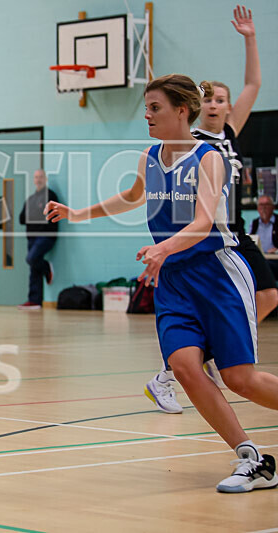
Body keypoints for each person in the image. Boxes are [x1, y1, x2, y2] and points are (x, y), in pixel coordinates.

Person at [46, 74, 278, 493]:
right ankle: (252, 458)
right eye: (146, 108)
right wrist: (77, 213)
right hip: (174, 280)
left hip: (217, 273)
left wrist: (164, 247)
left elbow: (205, 221)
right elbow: (132, 196)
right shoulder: (150, 157)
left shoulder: (208, 157)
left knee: (240, 378)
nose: (147, 115)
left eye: (155, 107)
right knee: (186, 367)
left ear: (181, 112)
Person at [144, 5, 277, 414]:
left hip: (235, 232)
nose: (217, 105)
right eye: (210, 100)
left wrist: (250, 38)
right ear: (196, 107)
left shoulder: (230, 134)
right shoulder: (193, 141)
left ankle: (210, 353)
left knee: (269, 295)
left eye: (222, 99)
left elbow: (253, 83)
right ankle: (175, 371)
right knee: (261, 300)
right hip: (207, 234)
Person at [18, 169, 58, 309]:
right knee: (33, 268)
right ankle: (35, 301)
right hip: (32, 237)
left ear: (45, 179)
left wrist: (35, 216)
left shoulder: (51, 196)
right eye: (36, 177)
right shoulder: (30, 199)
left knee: (32, 258)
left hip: (46, 236)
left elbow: (50, 216)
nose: (38, 179)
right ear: (34, 180)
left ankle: (46, 267)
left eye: (41, 177)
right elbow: (22, 218)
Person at [251, 195, 278, 277]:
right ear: (257, 208)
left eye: (267, 205)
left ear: (273, 207)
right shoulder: (254, 223)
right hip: (259, 258)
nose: (264, 208)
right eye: (261, 205)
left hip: (274, 260)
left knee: (264, 267)